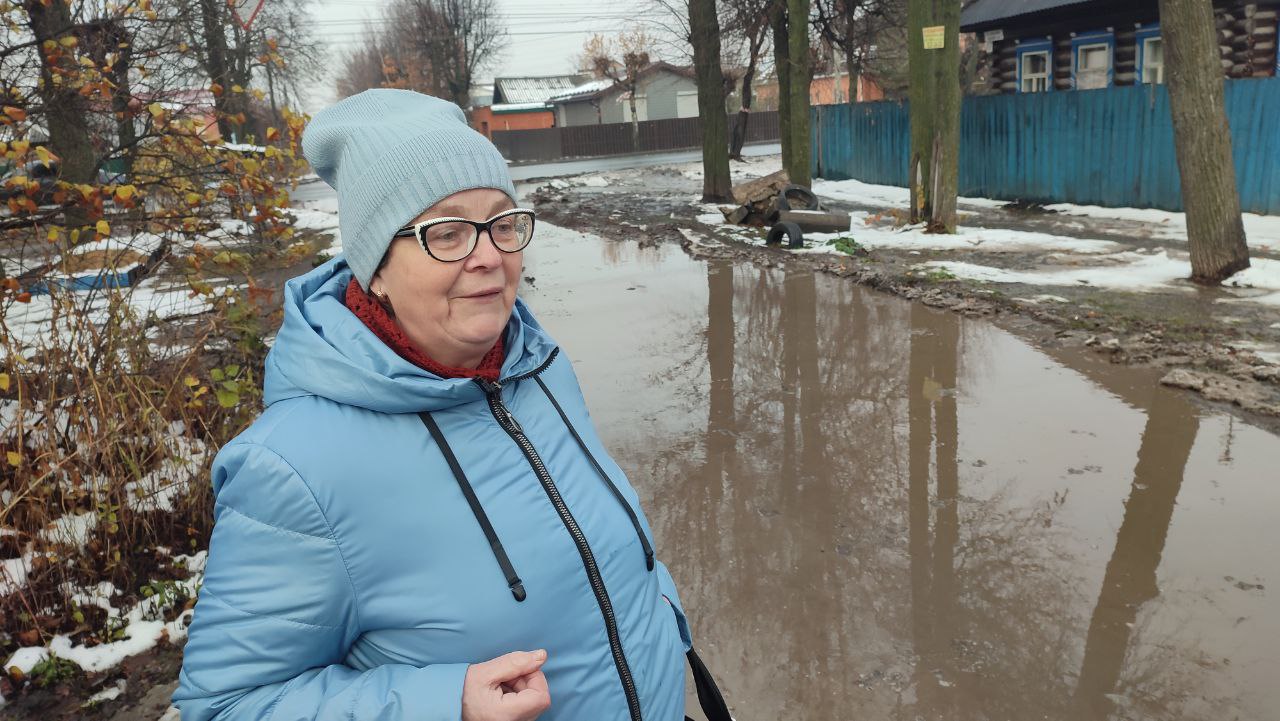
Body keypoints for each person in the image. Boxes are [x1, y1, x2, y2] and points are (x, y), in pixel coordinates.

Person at [172, 89, 690, 721]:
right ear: (376, 270)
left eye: (502, 224)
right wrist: (444, 706)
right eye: (446, 233)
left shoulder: (536, 367)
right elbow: (225, 706)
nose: (490, 257)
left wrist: (656, 604)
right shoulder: (292, 468)